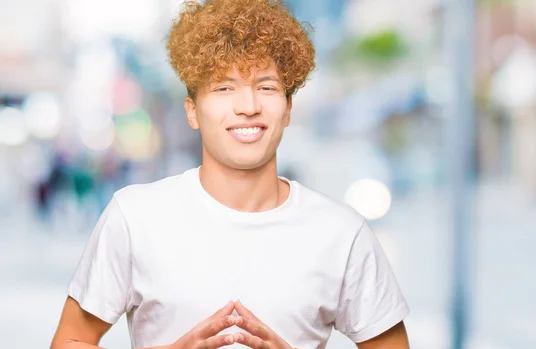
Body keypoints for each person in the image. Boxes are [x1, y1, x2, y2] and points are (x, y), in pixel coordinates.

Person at [50, 0, 411, 348]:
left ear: (287, 109)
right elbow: (69, 341)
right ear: (192, 111)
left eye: (266, 87)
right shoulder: (133, 217)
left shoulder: (342, 234)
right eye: (224, 88)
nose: (248, 106)